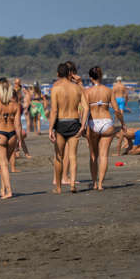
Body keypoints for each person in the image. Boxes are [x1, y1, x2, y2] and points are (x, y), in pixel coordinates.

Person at [49, 63, 88, 194]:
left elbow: (54, 110)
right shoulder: (77, 88)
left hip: (61, 123)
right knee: (73, 156)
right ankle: (72, 184)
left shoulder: (55, 89)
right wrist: (83, 125)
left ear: (58, 74)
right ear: (69, 73)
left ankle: (59, 187)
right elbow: (86, 107)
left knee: (59, 156)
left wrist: (50, 129)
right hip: (74, 122)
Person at [85, 66, 126, 191]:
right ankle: (101, 184)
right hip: (106, 122)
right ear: (101, 76)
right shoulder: (109, 91)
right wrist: (123, 123)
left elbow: (83, 110)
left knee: (93, 155)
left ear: (90, 78)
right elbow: (117, 110)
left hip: (93, 123)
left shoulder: (87, 92)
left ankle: (94, 183)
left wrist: (82, 126)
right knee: (103, 155)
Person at [0, 79, 22, 199]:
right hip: (12, 134)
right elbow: (18, 125)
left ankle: (9, 190)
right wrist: (19, 140)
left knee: (3, 165)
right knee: (6, 164)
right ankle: (3, 189)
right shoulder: (15, 105)